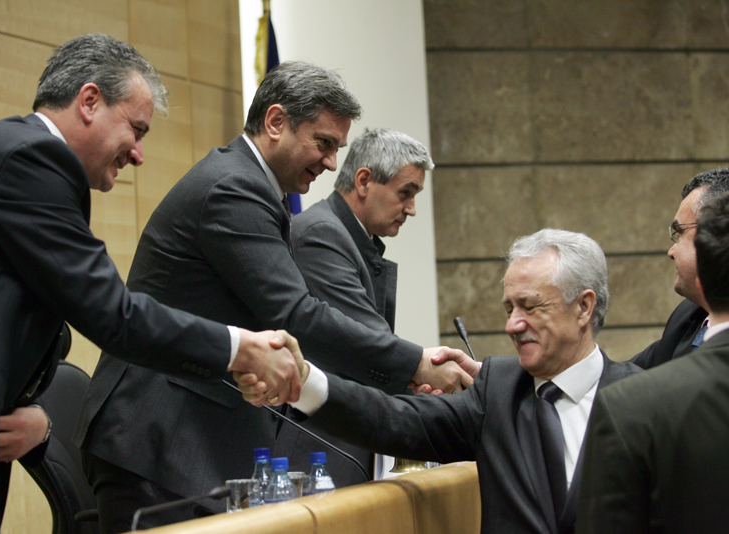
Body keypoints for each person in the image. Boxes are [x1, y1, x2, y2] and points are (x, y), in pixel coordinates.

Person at [75, 61, 471, 531]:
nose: (331, 163)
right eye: (324, 143)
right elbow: (296, 314)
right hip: (158, 439)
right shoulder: (235, 186)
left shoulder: (253, 185)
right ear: (276, 121)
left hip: (190, 438)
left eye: (337, 149)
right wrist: (415, 363)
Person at [0, 34, 301, 534]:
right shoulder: (32, 158)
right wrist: (239, 348)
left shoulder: (20, 155)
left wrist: (34, 413)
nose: (139, 154)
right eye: (136, 129)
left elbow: (12, 316)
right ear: (89, 101)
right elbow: (112, 314)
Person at [240, 228, 642, 534]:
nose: (512, 325)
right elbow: (391, 418)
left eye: (530, 306)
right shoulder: (498, 391)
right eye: (509, 308)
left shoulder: (643, 400)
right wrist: (303, 381)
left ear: (583, 307)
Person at [278, 128, 433, 486]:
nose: (411, 209)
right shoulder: (321, 233)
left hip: (339, 437)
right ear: (364, 181)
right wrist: (425, 367)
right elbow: (364, 339)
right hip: (315, 446)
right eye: (405, 193)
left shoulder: (350, 237)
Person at [576, 192, 729, 533]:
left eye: (679, 233)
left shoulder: (629, 408)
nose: (670, 250)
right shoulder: (684, 324)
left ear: (705, 279)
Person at [630, 168, 729, 368]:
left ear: (716, 232)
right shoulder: (688, 315)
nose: (671, 252)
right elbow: (631, 376)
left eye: (680, 232)